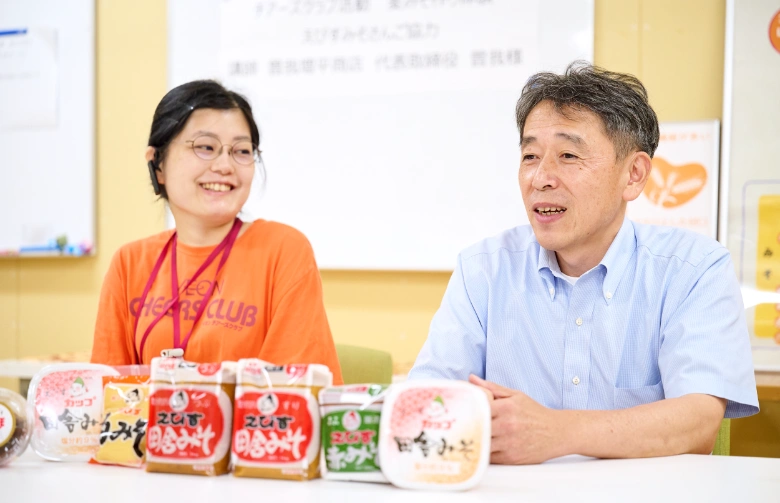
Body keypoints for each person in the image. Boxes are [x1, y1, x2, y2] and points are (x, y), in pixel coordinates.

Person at [408, 62, 758, 463]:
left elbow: (698, 424)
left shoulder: (695, 269)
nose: (540, 177)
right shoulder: (483, 270)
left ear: (634, 175)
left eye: (568, 155)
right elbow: (425, 403)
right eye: (530, 155)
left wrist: (557, 433)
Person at [91, 80, 343, 384]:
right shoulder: (130, 264)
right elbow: (110, 392)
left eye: (241, 151)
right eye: (206, 147)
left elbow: (290, 393)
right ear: (158, 164)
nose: (225, 166)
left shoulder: (283, 251)